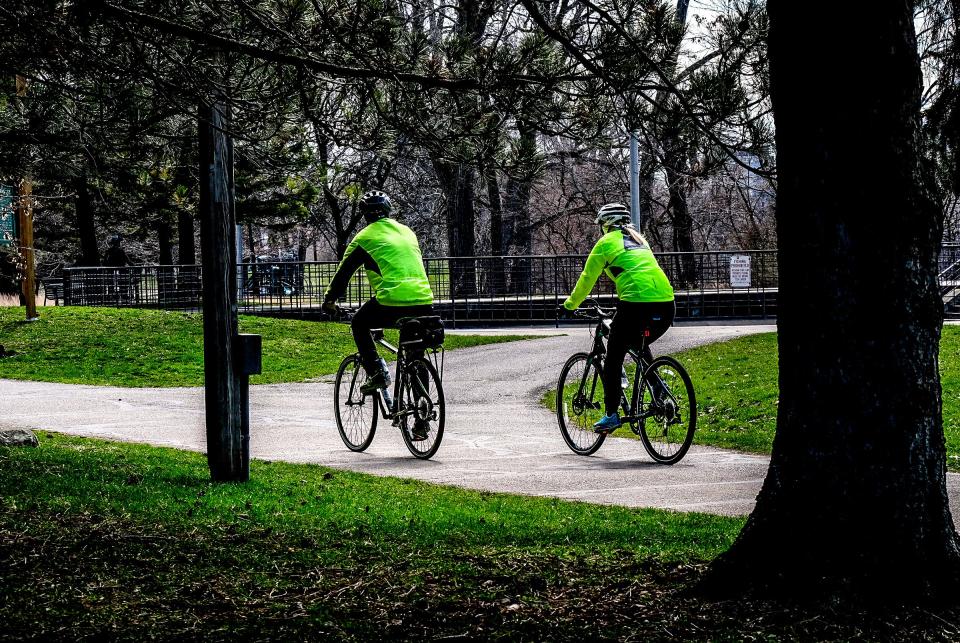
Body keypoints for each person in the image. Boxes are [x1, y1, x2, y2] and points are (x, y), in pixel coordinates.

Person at [561, 203, 676, 433]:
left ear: (606, 225)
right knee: (637, 344)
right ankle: (658, 389)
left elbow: (586, 279)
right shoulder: (640, 240)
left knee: (613, 358)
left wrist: (569, 305)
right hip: (666, 304)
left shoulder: (605, 244)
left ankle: (611, 415)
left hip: (636, 304)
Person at [322, 190, 434, 398]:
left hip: (392, 301)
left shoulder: (364, 237)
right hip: (424, 300)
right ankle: (422, 418)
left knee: (359, 323)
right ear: (388, 210)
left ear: (365, 214)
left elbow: (344, 273)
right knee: (415, 353)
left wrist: (329, 300)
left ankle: (376, 373)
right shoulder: (407, 232)